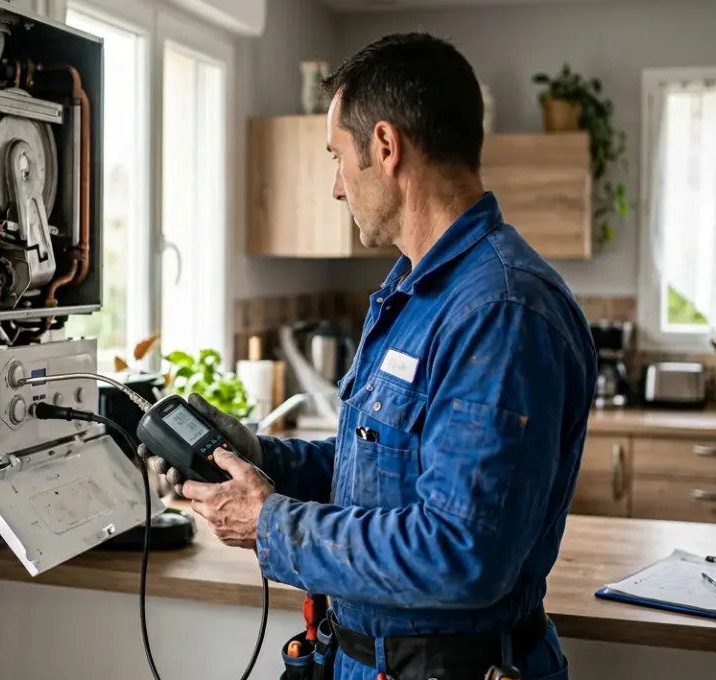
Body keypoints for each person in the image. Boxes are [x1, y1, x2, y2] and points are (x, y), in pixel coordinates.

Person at [144, 32, 595, 680]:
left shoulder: (500, 311)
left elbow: (461, 552)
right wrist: (265, 457)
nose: (335, 186)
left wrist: (270, 525)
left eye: (337, 156)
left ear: (385, 147)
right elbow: (381, 472)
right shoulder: (415, 292)